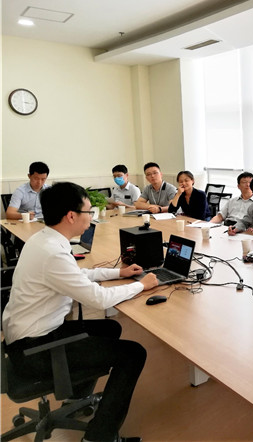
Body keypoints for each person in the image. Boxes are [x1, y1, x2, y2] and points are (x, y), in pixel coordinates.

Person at [2, 182, 158, 442]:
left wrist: (118, 273)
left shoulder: (45, 239)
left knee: (110, 328)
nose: (91, 217)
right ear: (71, 216)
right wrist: (141, 285)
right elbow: (98, 299)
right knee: (134, 354)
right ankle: (99, 436)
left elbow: (77, 274)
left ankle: (77, 398)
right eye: (88, 211)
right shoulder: (53, 253)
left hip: (27, 336)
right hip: (34, 350)